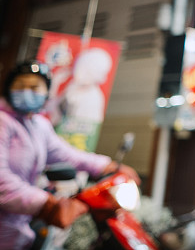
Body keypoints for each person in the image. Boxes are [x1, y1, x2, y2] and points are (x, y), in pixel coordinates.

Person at [0, 60, 139, 249]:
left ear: (46, 92)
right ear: (8, 89)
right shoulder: (3, 121)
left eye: (34, 87)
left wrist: (107, 165)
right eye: (20, 86)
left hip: (20, 222)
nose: (27, 91)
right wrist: (46, 205)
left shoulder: (39, 125)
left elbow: (66, 154)